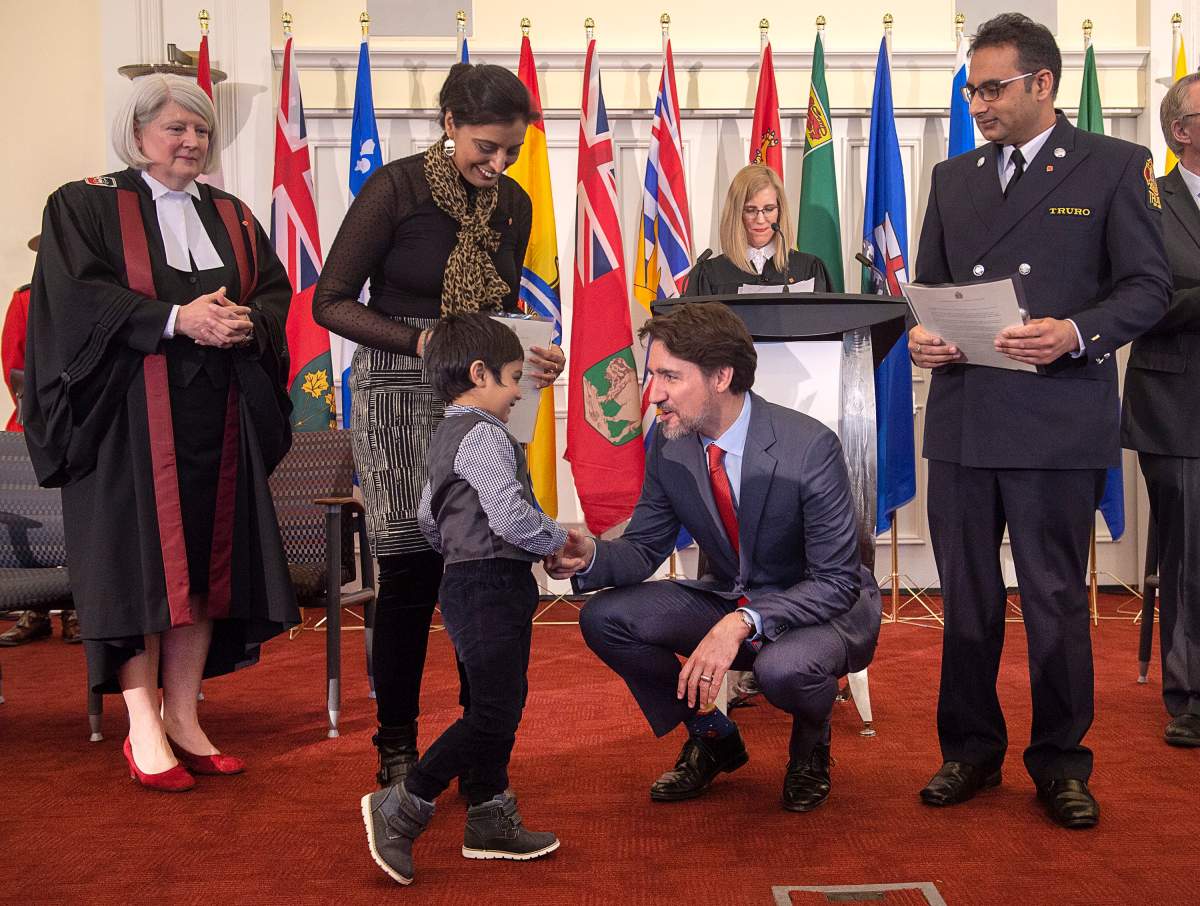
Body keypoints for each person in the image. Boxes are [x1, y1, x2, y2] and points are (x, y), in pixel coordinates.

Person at [909, 13, 1171, 828]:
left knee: (1055, 601)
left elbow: (1147, 288)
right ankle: (969, 751)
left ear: (1043, 83)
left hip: (1055, 417)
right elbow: (930, 286)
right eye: (972, 89)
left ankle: (1061, 761)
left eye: (993, 88)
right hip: (963, 420)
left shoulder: (1115, 166)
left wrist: (1075, 332)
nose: (979, 103)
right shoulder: (954, 177)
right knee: (969, 601)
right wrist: (922, 335)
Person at [22, 75, 298, 791]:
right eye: (176, 128)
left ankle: (184, 714)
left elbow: (273, 289)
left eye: (202, 130)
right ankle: (142, 723)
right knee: (136, 569)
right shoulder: (83, 203)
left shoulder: (233, 214)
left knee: (206, 566)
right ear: (138, 133)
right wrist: (178, 320)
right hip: (125, 421)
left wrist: (247, 322)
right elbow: (77, 298)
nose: (192, 141)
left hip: (217, 417)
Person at [313, 62, 565, 790]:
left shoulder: (513, 203)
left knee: (482, 564)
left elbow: (502, 312)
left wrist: (527, 353)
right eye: (486, 146)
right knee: (411, 570)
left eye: (511, 151)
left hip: (480, 388)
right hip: (398, 386)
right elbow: (330, 302)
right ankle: (395, 743)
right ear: (449, 123)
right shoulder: (395, 188)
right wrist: (426, 342)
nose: (499, 164)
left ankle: (476, 742)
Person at [548, 302, 881, 813]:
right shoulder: (669, 439)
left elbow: (836, 582)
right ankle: (712, 736)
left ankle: (811, 745)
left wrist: (742, 623)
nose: (651, 392)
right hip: (732, 597)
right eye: (652, 374)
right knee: (605, 618)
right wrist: (590, 554)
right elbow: (644, 547)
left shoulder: (809, 446)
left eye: (668, 376)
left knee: (783, 671)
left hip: (817, 612)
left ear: (721, 376)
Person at [362, 313, 564, 885]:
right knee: (495, 709)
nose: (519, 391)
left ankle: (489, 817)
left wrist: (455, 550)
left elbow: (429, 514)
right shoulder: (484, 434)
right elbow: (507, 514)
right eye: (514, 378)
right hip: (491, 584)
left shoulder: (445, 435)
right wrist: (555, 541)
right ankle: (405, 805)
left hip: (469, 580)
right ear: (480, 374)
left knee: (502, 700)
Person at [1121, 72, 1200, 749]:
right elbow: (1137, 301)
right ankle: (1192, 694)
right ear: (1181, 130)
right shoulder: (1150, 200)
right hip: (1178, 406)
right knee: (1191, 554)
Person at [1, 239, 80, 646]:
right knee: (35, 518)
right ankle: (34, 610)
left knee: (75, 517)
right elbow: (14, 365)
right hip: (37, 425)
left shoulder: (88, 295)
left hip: (84, 424)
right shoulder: (26, 299)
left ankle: (75, 607)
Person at [682, 164, 830, 296]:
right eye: (750, 210)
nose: (760, 219)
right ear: (736, 214)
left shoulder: (808, 268)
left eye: (769, 209)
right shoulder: (710, 274)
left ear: (780, 211)